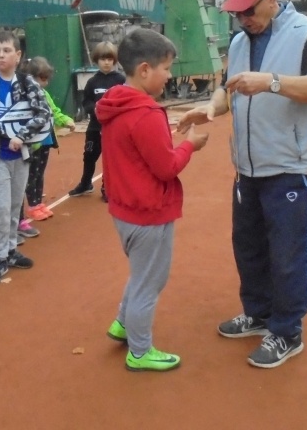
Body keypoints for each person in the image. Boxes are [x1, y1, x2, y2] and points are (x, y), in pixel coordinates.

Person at [177, 0, 307, 369]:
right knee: (248, 247)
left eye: (248, 10)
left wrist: (271, 82)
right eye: (236, 13)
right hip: (247, 166)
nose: (243, 19)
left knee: (288, 252)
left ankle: (287, 330)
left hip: (291, 165)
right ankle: (259, 312)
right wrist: (209, 109)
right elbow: (227, 88)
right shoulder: (239, 41)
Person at [97, 29, 208, 372]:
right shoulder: (146, 114)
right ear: (145, 70)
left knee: (141, 273)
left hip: (125, 210)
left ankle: (122, 322)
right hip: (148, 214)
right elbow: (167, 167)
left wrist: (164, 135)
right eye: (166, 68)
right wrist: (191, 144)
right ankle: (140, 351)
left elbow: (140, 149)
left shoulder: (117, 103)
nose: (170, 75)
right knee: (151, 281)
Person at [0, 31, 51, 286]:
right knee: (0, 208)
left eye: (6, 50)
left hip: (21, 155)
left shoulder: (27, 83)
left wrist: (22, 136)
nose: (0, 55)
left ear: (18, 55)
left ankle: (11, 250)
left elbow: (42, 114)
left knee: (15, 205)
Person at [19, 56, 76, 225]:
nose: (42, 83)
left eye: (45, 79)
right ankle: (32, 206)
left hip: (46, 140)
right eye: (39, 79)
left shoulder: (45, 94)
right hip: (32, 144)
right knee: (31, 175)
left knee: (39, 173)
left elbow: (54, 111)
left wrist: (65, 120)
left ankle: (38, 203)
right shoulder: (24, 97)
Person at [68, 42, 125, 201]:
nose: (106, 62)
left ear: (114, 60)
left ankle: (107, 187)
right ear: (96, 60)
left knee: (111, 158)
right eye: (102, 59)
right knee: (89, 156)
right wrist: (94, 109)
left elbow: (126, 100)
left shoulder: (121, 80)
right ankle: (86, 183)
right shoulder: (92, 82)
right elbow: (86, 101)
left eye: (109, 59)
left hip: (113, 129)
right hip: (94, 128)